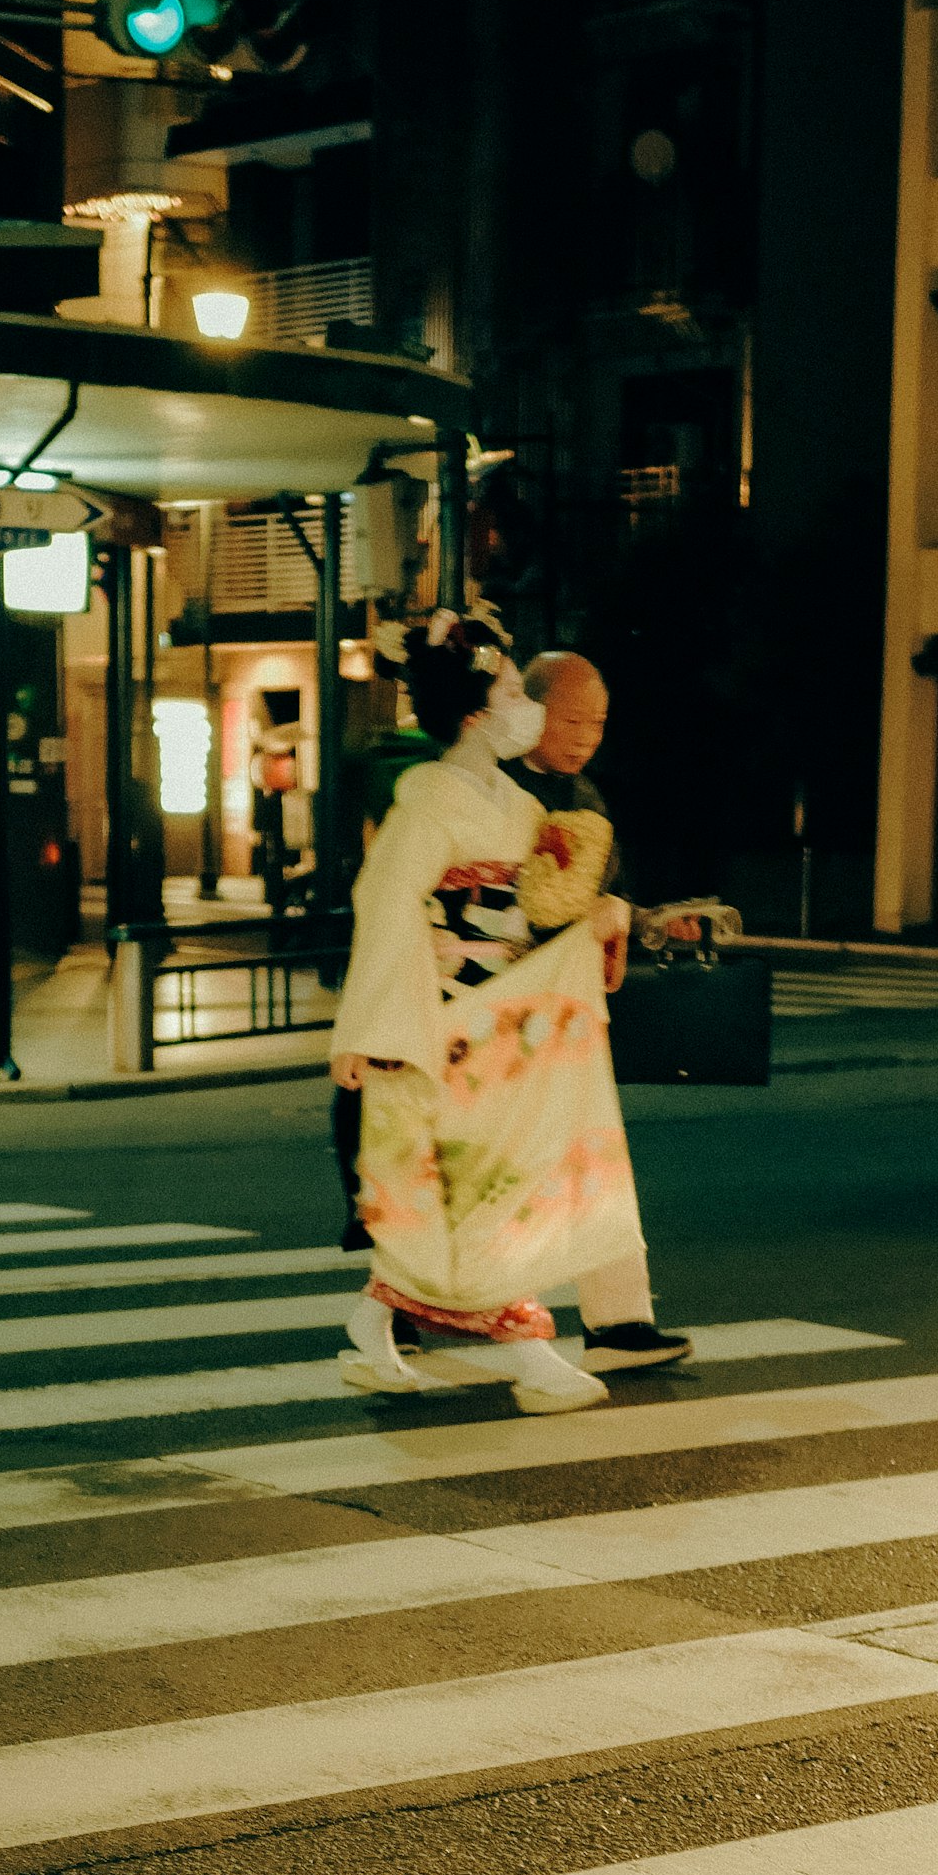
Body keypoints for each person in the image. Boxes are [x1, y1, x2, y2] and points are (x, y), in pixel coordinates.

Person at [327, 605, 638, 1412]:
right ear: (475, 709)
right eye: (510, 689)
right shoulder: (429, 796)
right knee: (486, 1188)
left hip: (499, 1019)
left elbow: (542, 908)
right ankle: (528, 1353)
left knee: (480, 1186)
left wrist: (601, 917)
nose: (524, 707)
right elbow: (386, 901)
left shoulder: (513, 803)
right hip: (441, 1020)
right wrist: (375, 1028)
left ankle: (372, 1328)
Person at [519, 649, 689, 1371]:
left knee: (590, 1163)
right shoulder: (489, 793)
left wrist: (645, 921)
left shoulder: (583, 794)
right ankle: (401, 1303)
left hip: (568, 1007)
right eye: (572, 719)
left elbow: (587, 896)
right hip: (506, 1006)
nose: (587, 735)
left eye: (598, 722)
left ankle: (620, 1320)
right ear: (527, 712)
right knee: (490, 1167)